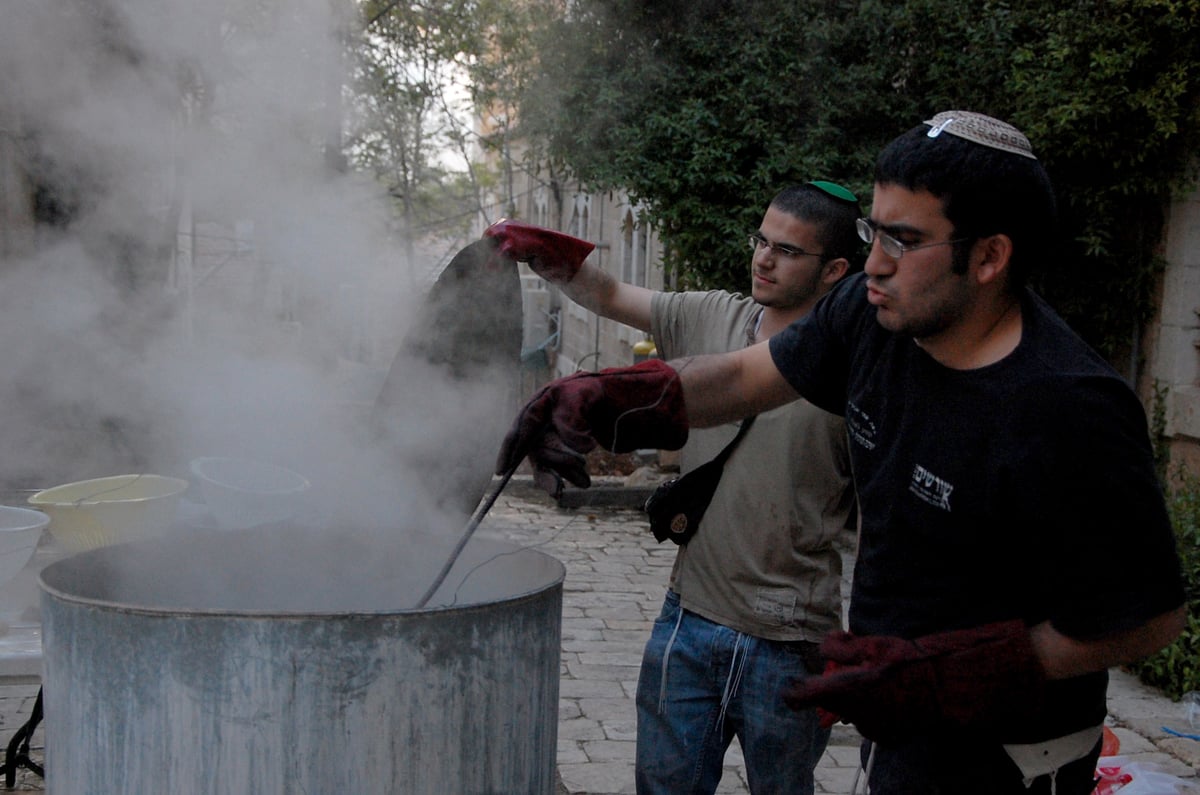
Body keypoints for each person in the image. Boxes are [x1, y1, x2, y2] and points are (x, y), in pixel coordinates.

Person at [493, 111, 1188, 794]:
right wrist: (605, 398)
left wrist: (952, 670)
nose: (875, 262)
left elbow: (1151, 617)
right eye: (874, 231)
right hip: (901, 733)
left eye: (906, 239)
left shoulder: (1069, 407)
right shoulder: (869, 315)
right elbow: (742, 376)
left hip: (1014, 757)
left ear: (988, 256)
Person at [484, 180, 863, 795]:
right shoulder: (715, 314)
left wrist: (862, 644)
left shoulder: (855, 364)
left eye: (788, 251)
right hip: (687, 621)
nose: (763, 259)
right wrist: (547, 257)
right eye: (761, 241)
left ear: (835, 271)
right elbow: (608, 293)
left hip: (792, 641)